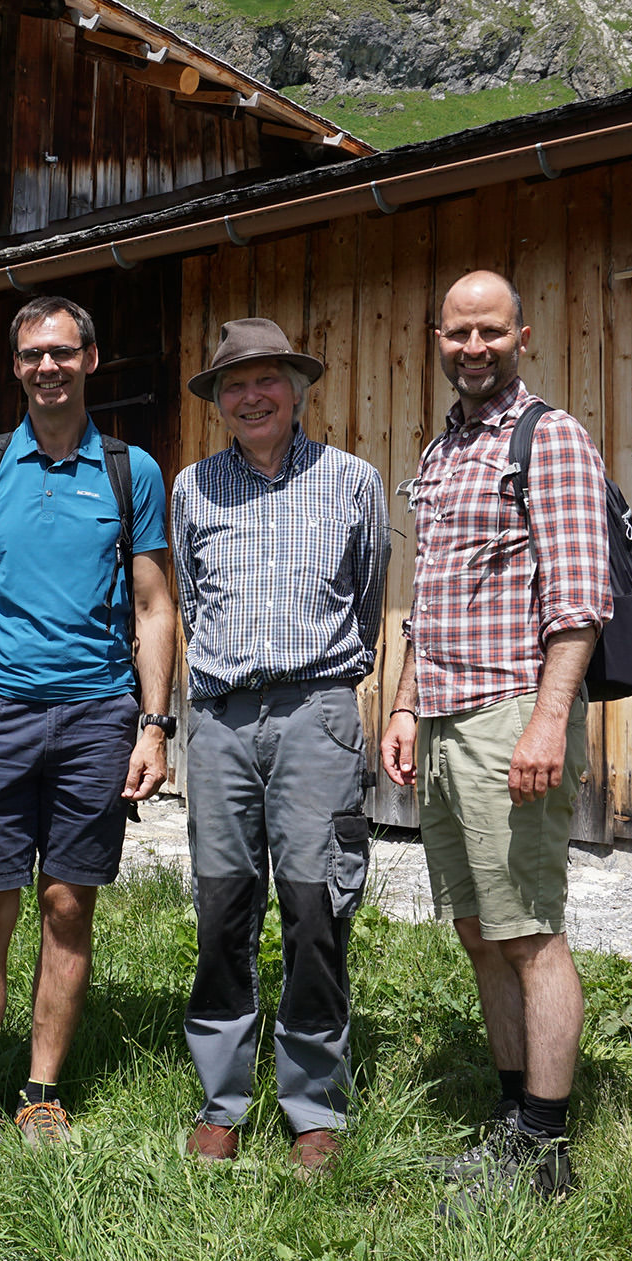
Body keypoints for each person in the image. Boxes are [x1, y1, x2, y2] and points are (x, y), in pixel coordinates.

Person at [0, 295, 177, 1153]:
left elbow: (151, 605)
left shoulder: (130, 470)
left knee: (69, 904)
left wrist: (154, 724)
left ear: (91, 360)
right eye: (31, 355)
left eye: (62, 352)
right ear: (16, 366)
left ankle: (41, 1095)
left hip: (99, 715)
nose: (47, 368)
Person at [378, 270, 612, 1206]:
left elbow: (579, 596)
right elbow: (429, 601)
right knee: (481, 931)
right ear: (436, 336)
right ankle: (515, 1121)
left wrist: (550, 718)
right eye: (457, 332)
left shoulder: (546, 438)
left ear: (522, 335)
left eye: (490, 332)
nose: (472, 347)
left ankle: (547, 1151)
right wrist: (403, 705)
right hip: (443, 716)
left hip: (513, 710)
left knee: (530, 935)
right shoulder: (443, 451)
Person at [169, 318, 389, 1173]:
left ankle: (313, 1105)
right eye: (234, 384)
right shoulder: (194, 490)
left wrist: (324, 691)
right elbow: (190, 600)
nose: (251, 396)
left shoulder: (353, 482)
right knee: (222, 911)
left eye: (267, 380)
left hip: (316, 714)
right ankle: (221, 1101)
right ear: (219, 402)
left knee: (314, 910)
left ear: (297, 391)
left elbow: (368, 603)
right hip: (221, 722)